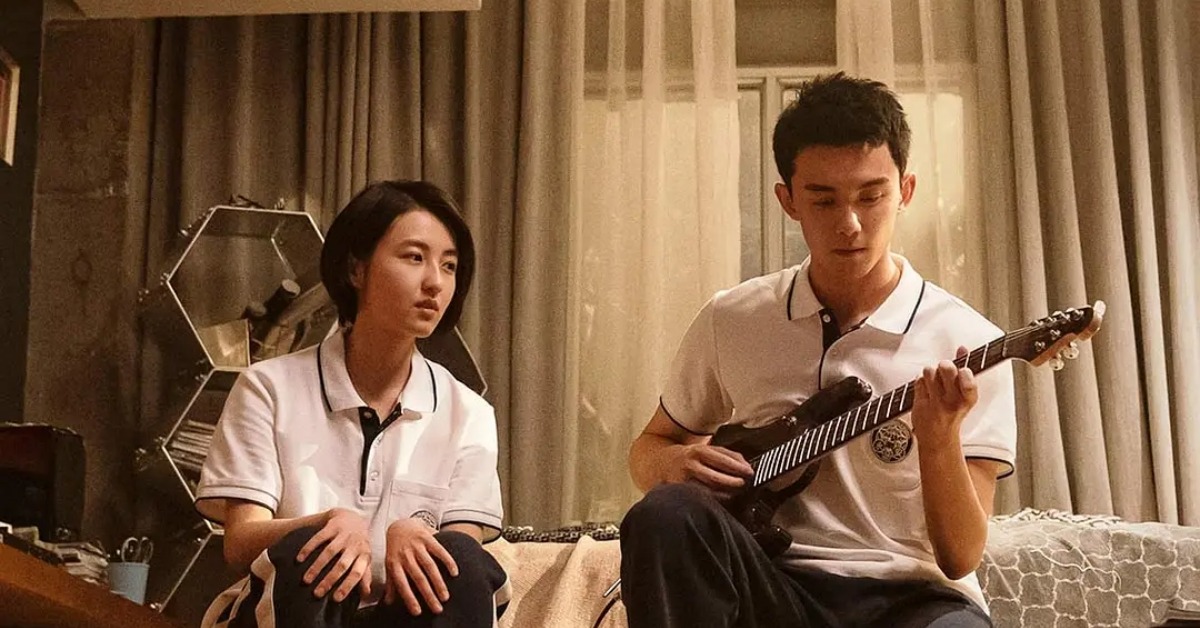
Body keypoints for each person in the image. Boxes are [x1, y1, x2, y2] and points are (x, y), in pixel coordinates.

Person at [620, 73, 1017, 627]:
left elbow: (959, 557)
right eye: (823, 199)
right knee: (664, 511)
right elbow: (651, 445)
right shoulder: (732, 318)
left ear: (905, 191)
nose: (849, 224)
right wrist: (670, 463)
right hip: (774, 585)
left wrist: (940, 438)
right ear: (788, 200)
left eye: (871, 197)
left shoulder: (970, 342)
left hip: (913, 600)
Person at [195, 180, 509, 628]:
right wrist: (326, 523)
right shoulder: (268, 387)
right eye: (414, 257)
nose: (435, 282)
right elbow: (240, 541)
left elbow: (461, 555)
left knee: (457, 557)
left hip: (404, 616)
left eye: (449, 265)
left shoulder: (469, 413)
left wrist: (415, 533)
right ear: (356, 269)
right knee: (315, 550)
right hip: (294, 609)